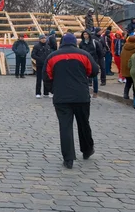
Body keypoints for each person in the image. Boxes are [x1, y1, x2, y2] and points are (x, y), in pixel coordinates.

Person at [44, 33, 99, 169]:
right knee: (83, 124)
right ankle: (87, 149)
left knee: (65, 127)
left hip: (61, 97)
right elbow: (94, 71)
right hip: (81, 95)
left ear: (61, 42)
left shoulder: (52, 56)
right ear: (75, 42)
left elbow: (46, 76)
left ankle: (68, 158)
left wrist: (53, 90)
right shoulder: (84, 54)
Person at [79, 30, 101, 98]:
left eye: (86, 34)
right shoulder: (81, 43)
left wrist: (97, 63)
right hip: (84, 62)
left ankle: (95, 92)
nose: (85, 35)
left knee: (94, 77)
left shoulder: (94, 42)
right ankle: (86, 92)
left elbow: (99, 52)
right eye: (84, 34)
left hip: (93, 61)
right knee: (84, 78)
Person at [121, 35, 135, 100]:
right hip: (133, 67)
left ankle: (125, 94)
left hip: (125, 67)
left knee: (128, 82)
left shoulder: (124, 47)